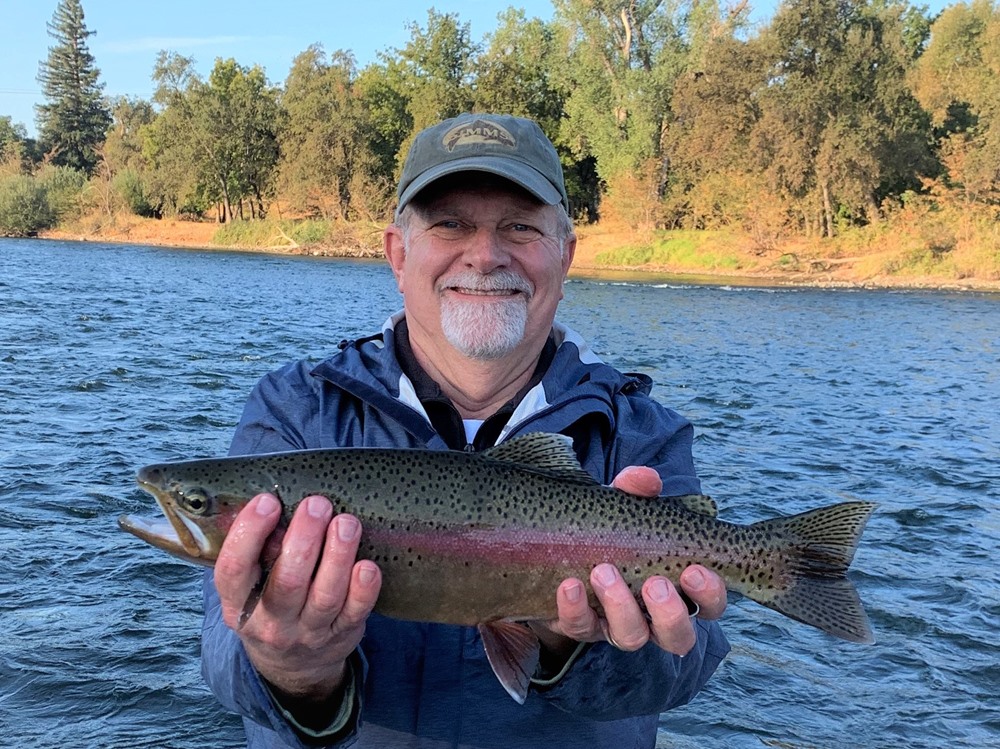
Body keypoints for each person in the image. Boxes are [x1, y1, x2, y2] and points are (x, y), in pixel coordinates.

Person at [201, 112, 730, 748]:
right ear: (398, 253)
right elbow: (224, 661)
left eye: (520, 226)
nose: (485, 254)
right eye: (451, 223)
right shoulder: (297, 408)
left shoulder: (641, 431)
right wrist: (292, 668)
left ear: (564, 256)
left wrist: (568, 642)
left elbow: (686, 665)